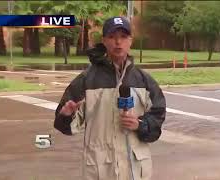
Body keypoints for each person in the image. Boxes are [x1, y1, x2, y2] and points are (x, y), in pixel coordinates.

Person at [54, 16, 166, 180]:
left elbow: (158, 117)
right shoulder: (86, 80)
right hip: (100, 169)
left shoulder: (144, 81)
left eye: (123, 37)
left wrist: (140, 124)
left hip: (135, 169)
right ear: (104, 41)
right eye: (112, 37)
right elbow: (64, 126)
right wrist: (66, 115)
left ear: (130, 41)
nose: (118, 42)